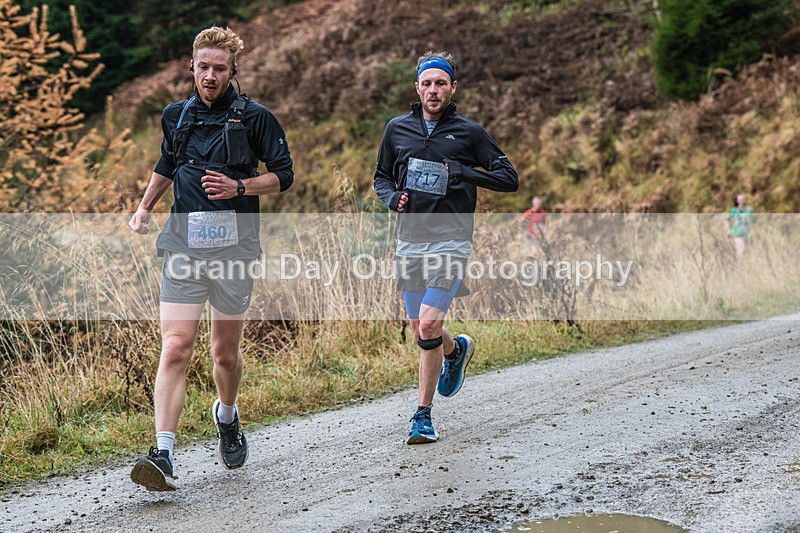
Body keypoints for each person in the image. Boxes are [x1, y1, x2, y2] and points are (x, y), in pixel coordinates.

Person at [127, 26, 294, 491]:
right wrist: (144, 208)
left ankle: (227, 416)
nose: (211, 76)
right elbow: (167, 163)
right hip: (182, 246)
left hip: (234, 250)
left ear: (232, 70)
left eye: (220, 69)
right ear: (192, 67)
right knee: (177, 346)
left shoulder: (256, 118)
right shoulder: (175, 116)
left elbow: (284, 176)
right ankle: (162, 453)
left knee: (224, 354)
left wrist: (240, 186)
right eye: (204, 67)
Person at [374, 51, 519, 444]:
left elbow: (509, 178)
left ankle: (422, 416)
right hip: (409, 241)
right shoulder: (397, 129)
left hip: (452, 241)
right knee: (422, 330)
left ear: (453, 88)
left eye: (441, 83)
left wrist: (464, 172)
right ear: (417, 87)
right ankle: (455, 351)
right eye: (427, 83)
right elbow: (381, 178)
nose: (433, 90)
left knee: (428, 324)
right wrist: (393, 198)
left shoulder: (469, 133)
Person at [727, 193, 753, 259]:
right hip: (737, 233)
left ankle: (745, 264)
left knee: (747, 251)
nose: (742, 200)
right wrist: (728, 230)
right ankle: (739, 264)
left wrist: (753, 229)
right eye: (740, 199)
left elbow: (752, 220)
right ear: (737, 201)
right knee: (741, 249)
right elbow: (728, 220)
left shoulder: (749, 210)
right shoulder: (734, 210)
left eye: (743, 199)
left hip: (747, 232)